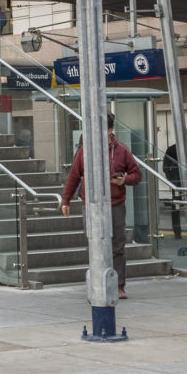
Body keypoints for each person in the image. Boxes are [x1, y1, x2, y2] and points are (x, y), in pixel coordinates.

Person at [61, 126, 145, 298]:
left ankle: (119, 285)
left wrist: (125, 180)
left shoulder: (122, 150)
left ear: (110, 129)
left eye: (102, 129)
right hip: (91, 204)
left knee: (118, 246)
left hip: (115, 204)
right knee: (94, 242)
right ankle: (97, 282)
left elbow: (137, 175)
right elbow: (74, 176)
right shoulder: (85, 151)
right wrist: (66, 199)